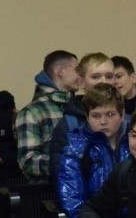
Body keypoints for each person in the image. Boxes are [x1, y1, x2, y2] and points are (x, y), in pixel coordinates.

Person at [54, 83, 129, 218]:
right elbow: (72, 200)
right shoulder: (76, 150)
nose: (103, 121)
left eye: (110, 114)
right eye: (96, 116)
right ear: (87, 117)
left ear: (122, 114)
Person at [45, 52, 120, 180]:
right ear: (81, 82)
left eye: (109, 76)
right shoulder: (69, 126)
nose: (103, 82)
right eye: (95, 77)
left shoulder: (128, 120)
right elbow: (65, 179)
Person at [15, 50, 79, 181]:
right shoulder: (32, 112)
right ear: (61, 71)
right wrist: (69, 162)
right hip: (48, 189)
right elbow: (27, 162)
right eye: (77, 70)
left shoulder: (79, 105)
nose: (81, 75)